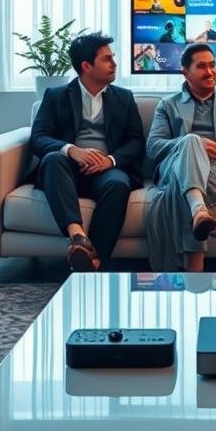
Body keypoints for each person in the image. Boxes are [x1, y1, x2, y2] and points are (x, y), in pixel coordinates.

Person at [31, 33, 145, 271]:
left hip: (105, 172)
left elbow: (136, 142)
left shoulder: (124, 98)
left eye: (113, 58)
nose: (114, 64)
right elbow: (38, 138)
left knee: (119, 184)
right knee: (53, 159)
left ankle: (92, 261)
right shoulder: (56, 96)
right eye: (107, 59)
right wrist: (71, 150)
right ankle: (77, 236)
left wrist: (110, 161)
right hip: (67, 171)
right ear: (86, 66)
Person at [144, 44, 216, 271]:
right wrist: (188, 143)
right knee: (190, 141)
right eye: (201, 66)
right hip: (177, 165)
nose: (210, 72)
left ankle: (180, 275)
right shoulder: (168, 105)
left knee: (182, 188)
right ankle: (199, 211)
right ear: (185, 73)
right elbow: (153, 148)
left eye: (213, 65)